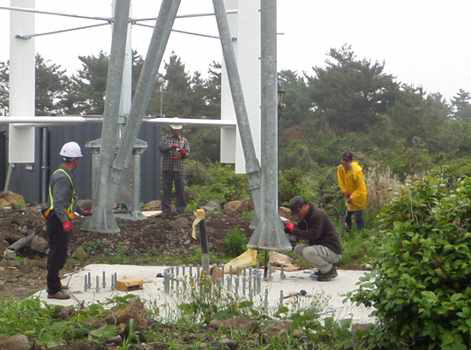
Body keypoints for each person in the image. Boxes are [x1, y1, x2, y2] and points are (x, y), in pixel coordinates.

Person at [44, 141, 90, 299]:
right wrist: (65, 221)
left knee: (60, 253)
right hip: (57, 220)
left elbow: (67, 200)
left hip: (57, 218)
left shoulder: (63, 173)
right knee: (57, 254)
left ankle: (55, 284)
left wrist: (80, 211)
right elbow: (58, 204)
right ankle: (53, 290)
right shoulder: (62, 177)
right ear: (75, 159)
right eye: (78, 159)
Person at [284, 196, 342, 281]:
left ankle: (329, 270)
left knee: (308, 251)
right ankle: (322, 269)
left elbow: (314, 235)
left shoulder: (317, 214)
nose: (297, 215)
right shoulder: (306, 216)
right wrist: (288, 228)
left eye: (298, 212)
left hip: (332, 250)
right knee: (298, 249)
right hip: (322, 248)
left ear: (304, 206)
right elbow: (300, 229)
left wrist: (293, 230)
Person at [159, 124, 190, 215]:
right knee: (166, 189)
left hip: (178, 168)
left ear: (180, 130)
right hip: (167, 168)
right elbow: (161, 148)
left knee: (180, 189)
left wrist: (183, 154)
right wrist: (170, 147)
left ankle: (181, 209)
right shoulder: (165, 138)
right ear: (171, 129)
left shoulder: (184, 140)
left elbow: (187, 152)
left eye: (178, 130)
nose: (176, 131)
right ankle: (166, 210)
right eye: (175, 130)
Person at [336, 152, 368, 232]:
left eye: (346, 164)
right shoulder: (340, 168)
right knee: (347, 218)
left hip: (359, 197)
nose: (344, 166)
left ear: (350, 162)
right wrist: (344, 191)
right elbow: (341, 180)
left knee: (358, 218)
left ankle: (362, 235)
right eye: (343, 163)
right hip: (348, 197)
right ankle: (348, 234)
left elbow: (361, 189)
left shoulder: (357, 171)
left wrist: (352, 197)